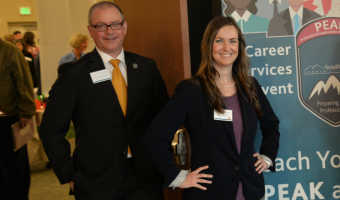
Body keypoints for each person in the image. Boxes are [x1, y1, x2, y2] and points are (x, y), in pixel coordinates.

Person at [39, 1, 169, 200]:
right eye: (101, 26)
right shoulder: (73, 75)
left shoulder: (146, 68)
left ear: (124, 27)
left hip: (145, 180)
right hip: (95, 183)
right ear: (91, 31)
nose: (109, 31)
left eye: (115, 24)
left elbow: (164, 121)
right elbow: (51, 130)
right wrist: (69, 175)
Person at [144, 16, 280, 200]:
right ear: (209, 45)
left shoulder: (250, 86)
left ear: (239, 46)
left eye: (232, 41)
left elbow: (271, 125)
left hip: (250, 190)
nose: (226, 47)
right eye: (219, 41)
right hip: (210, 193)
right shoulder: (191, 91)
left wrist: (267, 157)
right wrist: (178, 177)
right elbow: (154, 138)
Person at [0, 38, 36, 199]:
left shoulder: (10, 51)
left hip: (11, 118)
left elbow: (24, 81)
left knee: (15, 165)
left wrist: (25, 111)